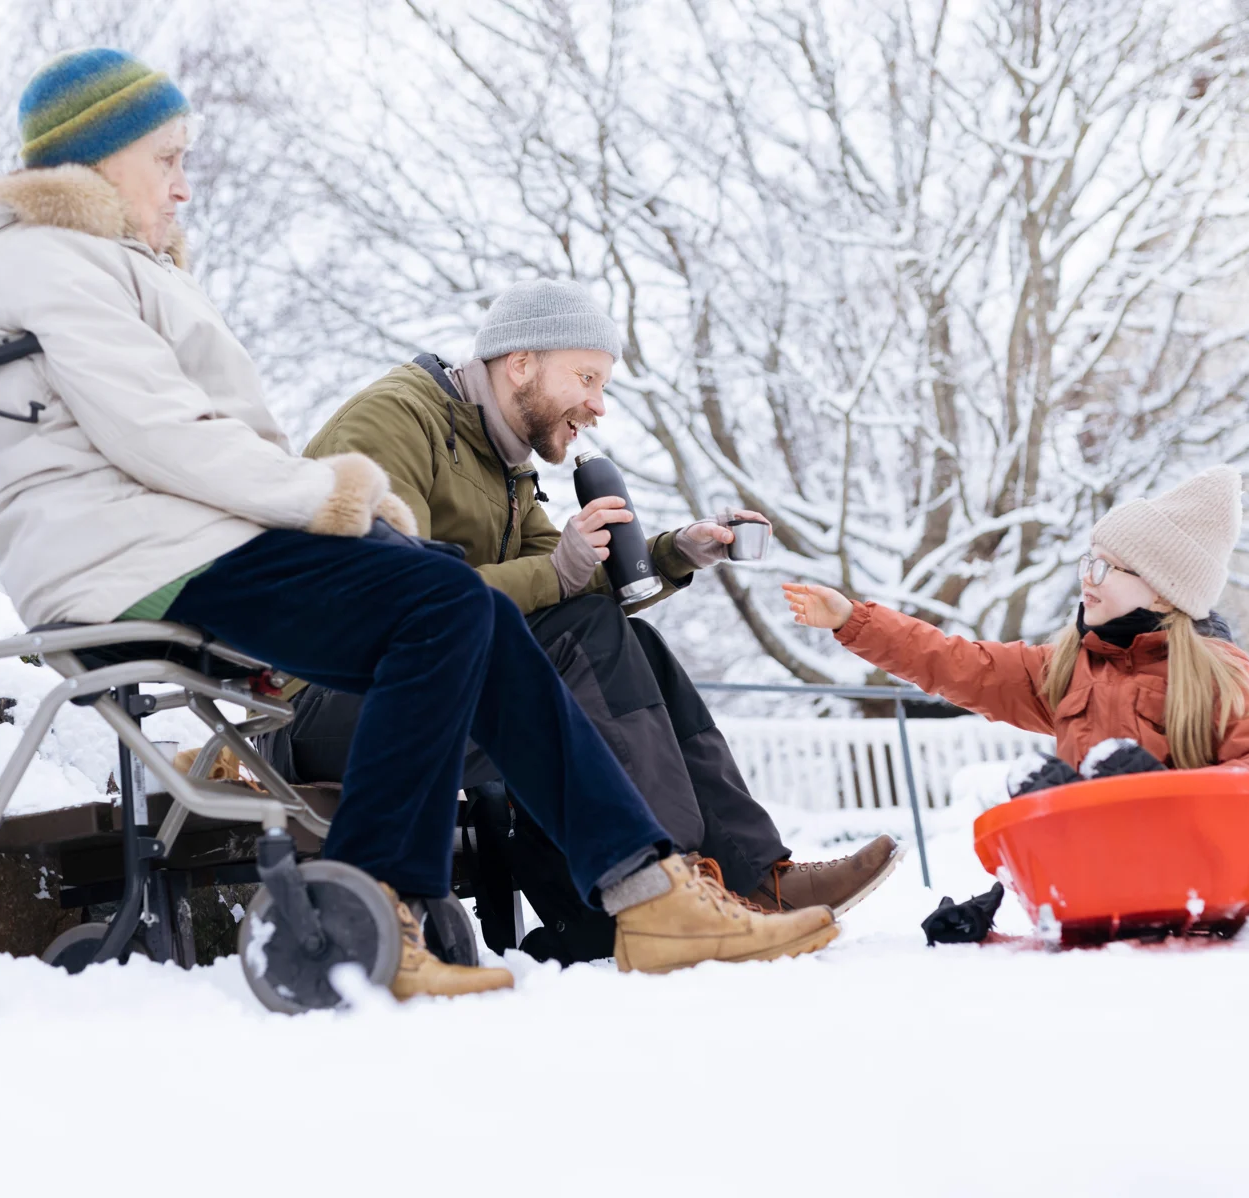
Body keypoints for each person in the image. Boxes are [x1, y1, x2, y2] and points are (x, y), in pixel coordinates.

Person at [0, 47, 839, 999]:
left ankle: (644, 891)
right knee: (443, 602)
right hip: (130, 557)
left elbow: (176, 436)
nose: (184, 187)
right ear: (96, 156)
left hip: (173, 539)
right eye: (168, 160)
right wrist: (339, 504)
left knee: (461, 607)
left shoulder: (98, 261)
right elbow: (163, 433)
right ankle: (380, 895)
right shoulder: (44, 258)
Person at [273, 281, 899, 962]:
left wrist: (673, 552)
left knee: (625, 634)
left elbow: (568, 581)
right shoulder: (392, 424)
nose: (597, 406)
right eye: (587, 377)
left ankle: (754, 877)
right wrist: (559, 572)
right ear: (520, 363)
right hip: (331, 704)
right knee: (588, 634)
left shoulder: (498, 458)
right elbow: (388, 604)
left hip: (440, 684)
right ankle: (670, 890)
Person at [784, 466, 1249, 787]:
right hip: (1101, 882)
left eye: (1106, 567)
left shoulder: (1216, 673)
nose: (1087, 578)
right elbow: (957, 663)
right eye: (1086, 561)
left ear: (1164, 589)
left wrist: (1162, 792)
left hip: (1187, 882)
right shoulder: (1068, 667)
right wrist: (855, 621)